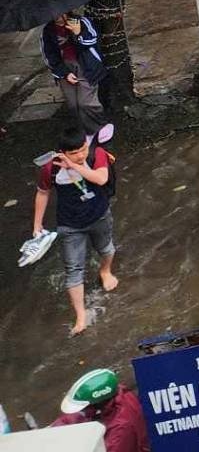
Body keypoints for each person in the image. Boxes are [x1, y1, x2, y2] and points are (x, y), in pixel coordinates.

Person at [32, 123, 119, 334]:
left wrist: (75, 165)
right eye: (74, 153)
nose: (80, 155)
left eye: (82, 149)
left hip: (99, 215)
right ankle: (80, 316)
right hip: (69, 224)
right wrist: (37, 224)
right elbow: (43, 193)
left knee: (107, 249)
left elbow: (101, 178)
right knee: (73, 269)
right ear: (62, 153)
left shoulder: (96, 154)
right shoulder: (49, 168)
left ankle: (105, 270)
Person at [42, 11, 108, 135]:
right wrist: (64, 73)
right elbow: (49, 55)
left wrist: (78, 33)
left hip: (85, 65)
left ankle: (99, 126)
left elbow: (93, 40)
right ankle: (83, 131)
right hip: (64, 66)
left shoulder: (82, 22)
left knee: (86, 102)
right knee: (73, 104)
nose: (57, 17)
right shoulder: (48, 30)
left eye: (60, 14)